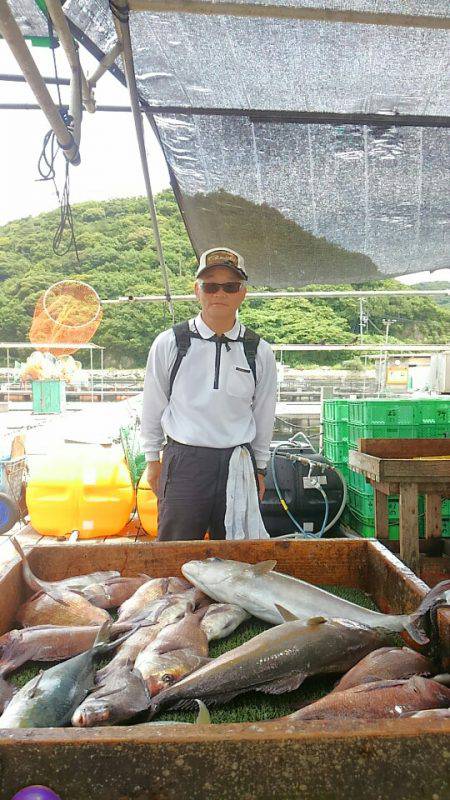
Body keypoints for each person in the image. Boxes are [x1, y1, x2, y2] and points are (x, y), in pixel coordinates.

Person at [141, 246, 277, 541]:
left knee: (237, 555)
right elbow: (152, 405)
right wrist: (153, 460)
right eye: (210, 285)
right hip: (184, 462)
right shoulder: (170, 343)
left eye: (230, 286)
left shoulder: (259, 351)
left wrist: (261, 468)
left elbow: (264, 413)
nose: (220, 294)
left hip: (238, 461)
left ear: (243, 292)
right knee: (174, 551)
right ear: (197, 290)